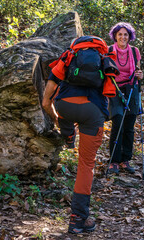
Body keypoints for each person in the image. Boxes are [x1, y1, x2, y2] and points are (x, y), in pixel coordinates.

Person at [42, 36, 117, 234]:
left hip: (64, 105)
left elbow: (45, 102)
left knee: (64, 113)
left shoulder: (67, 58)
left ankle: (68, 135)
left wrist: (57, 119)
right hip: (92, 111)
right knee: (86, 165)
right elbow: (111, 94)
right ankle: (78, 219)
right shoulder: (104, 60)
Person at [107, 22, 144, 175]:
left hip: (131, 89)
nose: (122, 37)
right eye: (120, 34)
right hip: (115, 89)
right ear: (115, 35)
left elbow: (139, 71)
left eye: (125, 34)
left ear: (130, 37)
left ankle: (125, 160)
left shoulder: (135, 52)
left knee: (129, 125)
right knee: (117, 122)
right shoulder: (109, 50)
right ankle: (114, 161)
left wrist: (141, 75)